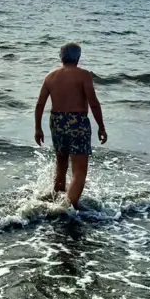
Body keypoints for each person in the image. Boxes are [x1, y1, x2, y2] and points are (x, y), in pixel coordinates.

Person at [34, 43, 107, 209]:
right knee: (79, 172)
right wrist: (101, 126)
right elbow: (93, 103)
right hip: (77, 122)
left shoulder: (50, 76)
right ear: (78, 57)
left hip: (57, 121)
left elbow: (39, 105)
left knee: (61, 167)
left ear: (61, 57)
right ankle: (64, 209)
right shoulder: (83, 75)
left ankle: (56, 202)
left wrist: (38, 128)